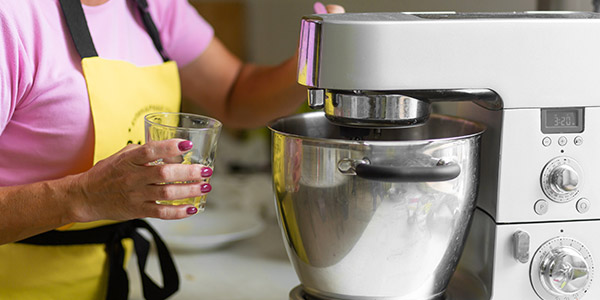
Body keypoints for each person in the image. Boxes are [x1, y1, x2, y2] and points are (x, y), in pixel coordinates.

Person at [0, 0, 344, 299]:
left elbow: (233, 94)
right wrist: (83, 196)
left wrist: (314, 58)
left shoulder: (153, 5)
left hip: (108, 278)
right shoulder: (11, 19)